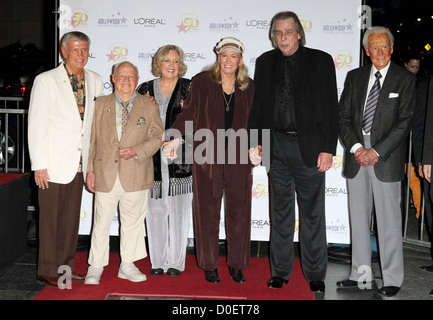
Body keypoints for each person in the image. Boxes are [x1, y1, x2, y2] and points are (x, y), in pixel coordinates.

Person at [247, 11, 338, 293]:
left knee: (312, 214)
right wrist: (256, 141)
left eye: (288, 31)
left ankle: (315, 274)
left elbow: (331, 107)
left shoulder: (320, 60)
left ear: (299, 33)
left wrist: (327, 148)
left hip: (309, 148)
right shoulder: (264, 62)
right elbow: (258, 105)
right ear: (273, 36)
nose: (283, 37)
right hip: (275, 145)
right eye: (278, 33)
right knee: (280, 213)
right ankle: (280, 272)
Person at [163, 37, 254, 284]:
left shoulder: (248, 86)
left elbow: (256, 120)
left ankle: (237, 265)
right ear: (218, 56)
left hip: (238, 158)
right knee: (206, 214)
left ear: (240, 59)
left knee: (240, 215)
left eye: (233, 56)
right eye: (224, 55)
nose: (228, 60)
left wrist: (259, 148)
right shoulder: (202, 82)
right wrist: (173, 137)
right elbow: (189, 113)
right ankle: (209, 265)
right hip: (207, 158)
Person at [337, 27, 416, 297]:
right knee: (358, 218)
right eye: (374, 47)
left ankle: (392, 278)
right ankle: (360, 276)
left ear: (392, 49)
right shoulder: (354, 77)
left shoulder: (405, 79)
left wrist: (376, 151)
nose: (380, 52)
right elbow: (343, 117)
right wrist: (359, 147)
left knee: (389, 221)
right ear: (367, 50)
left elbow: (405, 122)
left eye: (385, 47)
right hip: (356, 154)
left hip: (386, 157)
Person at [28, 31, 103, 288]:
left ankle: (65, 268)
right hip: (52, 163)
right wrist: (39, 164)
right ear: (64, 52)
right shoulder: (46, 80)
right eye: (75, 50)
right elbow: (36, 125)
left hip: (80, 162)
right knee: (49, 219)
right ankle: (47, 269)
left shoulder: (95, 80)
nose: (80, 55)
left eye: (84, 49)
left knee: (70, 221)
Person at [84, 61, 163, 285]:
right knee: (100, 223)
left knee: (133, 223)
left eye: (131, 77)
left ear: (137, 80)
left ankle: (127, 265)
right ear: (112, 78)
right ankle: (95, 266)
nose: (126, 80)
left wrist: (137, 151)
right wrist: (90, 170)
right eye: (121, 76)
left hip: (136, 173)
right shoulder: (99, 104)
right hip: (104, 173)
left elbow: (157, 137)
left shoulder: (149, 106)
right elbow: (91, 141)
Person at [136, 45, 193, 277]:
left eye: (176, 61)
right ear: (158, 64)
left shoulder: (190, 88)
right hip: (152, 158)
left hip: (182, 156)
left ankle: (176, 263)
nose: (171, 65)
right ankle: (157, 261)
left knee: (179, 212)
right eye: (167, 61)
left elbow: (198, 119)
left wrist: (177, 141)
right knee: (156, 210)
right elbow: (136, 121)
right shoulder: (145, 88)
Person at [404, 54, 423, 218]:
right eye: (412, 67)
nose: (415, 70)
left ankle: (420, 213)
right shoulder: (401, 82)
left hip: (411, 142)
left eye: (417, 67)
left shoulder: (419, 86)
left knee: (414, 180)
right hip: (397, 142)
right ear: (405, 65)